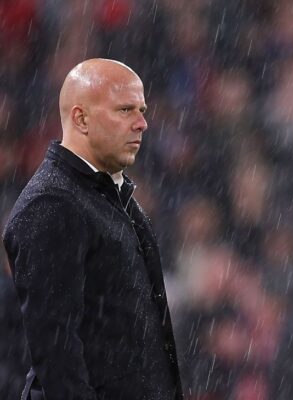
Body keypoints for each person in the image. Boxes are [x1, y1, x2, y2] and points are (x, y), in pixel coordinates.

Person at [3, 58, 183, 400]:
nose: (142, 123)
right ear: (80, 119)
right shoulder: (52, 204)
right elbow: (57, 357)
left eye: (142, 110)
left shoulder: (109, 194)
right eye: (125, 110)